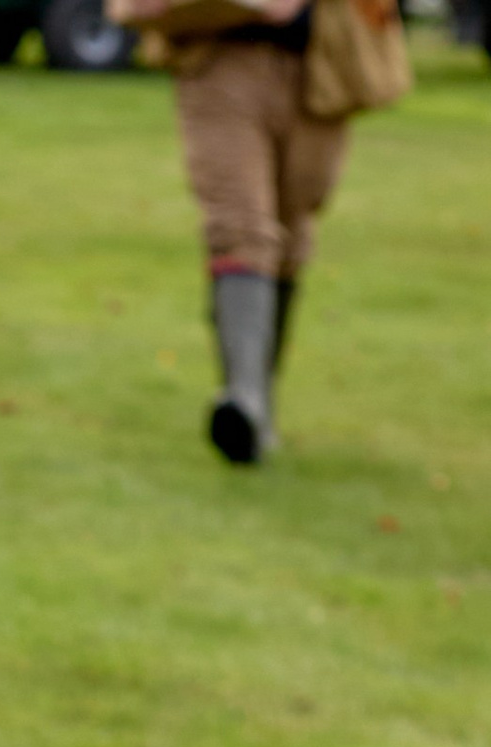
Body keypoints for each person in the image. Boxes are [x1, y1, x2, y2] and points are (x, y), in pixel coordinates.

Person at [116, 0, 393, 464]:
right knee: (240, 227)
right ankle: (244, 399)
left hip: (319, 67)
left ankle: (259, 402)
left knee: (291, 232)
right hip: (220, 63)